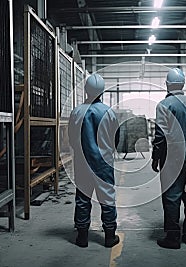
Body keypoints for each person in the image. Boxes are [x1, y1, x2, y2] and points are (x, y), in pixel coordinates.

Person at [152, 68, 186, 249]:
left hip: (172, 156)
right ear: (183, 84)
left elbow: (160, 135)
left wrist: (155, 157)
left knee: (172, 196)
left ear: (167, 84)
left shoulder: (164, 105)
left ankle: (173, 238)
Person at [69, 73, 120, 248]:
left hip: (82, 162)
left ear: (86, 90)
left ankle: (82, 237)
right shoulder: (109, 112)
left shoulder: (76, 112)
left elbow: (71, 138)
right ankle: (109, 236)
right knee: (107, 198)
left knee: (82, 197)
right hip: (103, 163)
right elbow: (116, 139)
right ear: (102, 91)